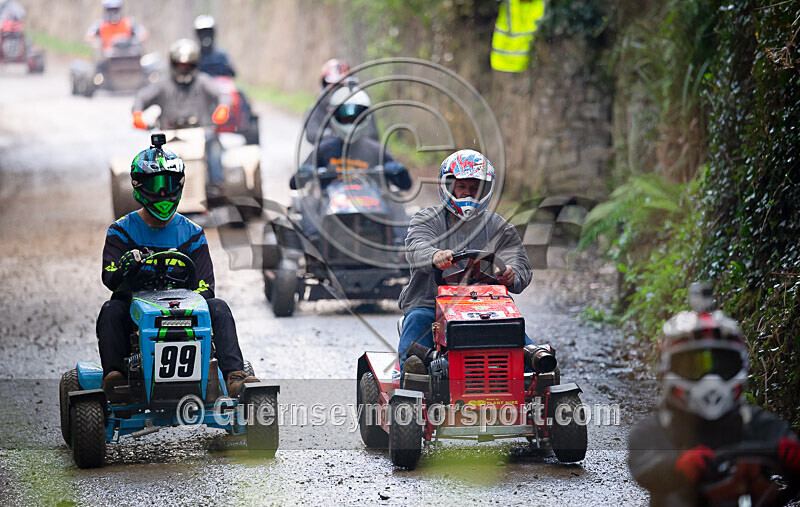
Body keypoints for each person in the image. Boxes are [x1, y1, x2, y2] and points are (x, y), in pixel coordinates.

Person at [97, 137, 257, 401]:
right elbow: (109, 278)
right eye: (156, 185)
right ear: (139, 186)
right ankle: (115, 376)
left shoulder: (192, 234)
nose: (163, 193)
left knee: (219, 307)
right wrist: (126, 267)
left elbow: (206, 287)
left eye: (169, 184)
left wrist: (184, 299)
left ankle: (234, 376)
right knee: (111, 310)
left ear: (180, 185)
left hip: (183, 308)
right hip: (138, 312)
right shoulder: (121, 231)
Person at [627, 283, 800, 506]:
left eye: (721, 364)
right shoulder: (659, 428)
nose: (711, 380)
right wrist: (677, 466)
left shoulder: (756, 423)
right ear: (671, 367)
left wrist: (793, 456)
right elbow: (643, 464)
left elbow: (786, 443)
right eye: (694, 366)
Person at [396, 149, 534, 381]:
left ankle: (532, 376)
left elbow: (519, 262)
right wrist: (434, 255)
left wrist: (512, 274)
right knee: (417, 324)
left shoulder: (497, 226)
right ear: (449, 187)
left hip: (487, 307)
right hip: (431, 305)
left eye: (474, 189)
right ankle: (413, 381)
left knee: (524, 342)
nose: (468, 194)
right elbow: (415, 247)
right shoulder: (427, 219)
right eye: (462, 188)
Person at [291, 85, 411, 242]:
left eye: (355, 117)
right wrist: (303, 174)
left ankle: (401, 247)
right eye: (345, 116)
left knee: (395, 197)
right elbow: (294, 184)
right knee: (308, 200)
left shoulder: (376, 150)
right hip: (330, 206)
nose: (351, 121)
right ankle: (315, 245)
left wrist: (399, 173)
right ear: (333, 115)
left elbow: (406, 185)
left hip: (371, 206)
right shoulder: (323, 149)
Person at [132, 38, 230, 190]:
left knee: (214, 146)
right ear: (173, 64)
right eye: (180, 65)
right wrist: (137, 114)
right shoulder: (163, 85)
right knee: (151, 157)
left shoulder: (202, 81)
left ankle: (216, 185)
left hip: (202, 133)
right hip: (169, 135)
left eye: (188, 65)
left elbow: (222, 95)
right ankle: (154, 189)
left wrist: (223, 108)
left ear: (195, 65)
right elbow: (141, 97)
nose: (183, 69)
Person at [303, 59, 379, 144]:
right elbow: (311, 133)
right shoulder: (320, 105)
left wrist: (355, 136)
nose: (333, 89)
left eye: (338, 86)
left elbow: (373, 135)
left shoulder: (359, 105)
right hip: (328, 152)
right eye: (329, 85)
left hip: (357, 153)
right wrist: (336, 136)